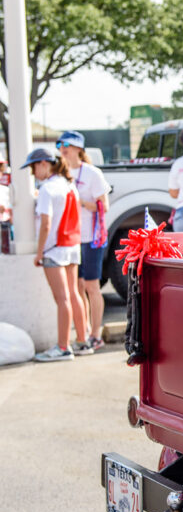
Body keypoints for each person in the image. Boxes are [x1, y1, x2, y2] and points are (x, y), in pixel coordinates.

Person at [21, 146, 94, 362]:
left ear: (44, 164)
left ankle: (63, 347)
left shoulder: (47, 189)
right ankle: (82, 342)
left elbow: (46, 224)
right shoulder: (69, 185)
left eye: (33, 167)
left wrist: (39, 252)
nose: (33, 173)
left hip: (54, 249)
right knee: (73, 294)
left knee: (62, 299)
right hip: (72, 246)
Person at [56, 131, 111, 350]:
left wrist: (80, 202)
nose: (62, 148)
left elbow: (104, 206)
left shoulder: (92, 173)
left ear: (78, 148)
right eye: (60, 144)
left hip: (91, 238)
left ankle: (96, 334)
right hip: (71, 238)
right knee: (76, 286)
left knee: (91, 286)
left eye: (67, 144)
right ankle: (84, 331)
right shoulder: (60, 173)